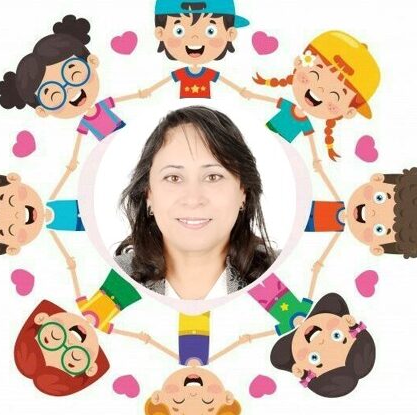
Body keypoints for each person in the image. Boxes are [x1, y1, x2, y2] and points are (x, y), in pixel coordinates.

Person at [114, 106, 277, 299]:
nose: (193, 199)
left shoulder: (286, 275)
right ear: (148, 194)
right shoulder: (110, 280)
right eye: (174, 178)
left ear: (243, 191)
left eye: (213, 177)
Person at [0, 15, 145, 171]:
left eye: (74, 74)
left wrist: (141, 94)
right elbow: (79, 142)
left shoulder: (101, 106)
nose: (69, 90)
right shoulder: (86, 122)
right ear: (42, 110)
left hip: (124, 132)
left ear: (92, 62)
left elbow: (124, 99)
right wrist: (74, 160)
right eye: (54, 95)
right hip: (109, 146)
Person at [244, 30, 380, 164]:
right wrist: (251, 94)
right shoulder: (289, 108)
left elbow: (311, 142)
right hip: (263, 135)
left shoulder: (304, 123)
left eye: (335, 95)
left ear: (349, 112)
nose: (320, 89)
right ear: (299, 62)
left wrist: (316, 158)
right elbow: (270, 100)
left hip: (279, 148)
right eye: (315, 75)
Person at [242, 273, 376, 397]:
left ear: (299, 369)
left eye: (314, 358)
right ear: (348, 321)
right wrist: (316, 270)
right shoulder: (306, 307)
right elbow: (311, 288)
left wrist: (250, 337)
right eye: (336, 335)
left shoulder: (284, 327)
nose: (321, 342)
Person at [141, 0, 251, 99]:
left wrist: (241, 91)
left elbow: (225, 82)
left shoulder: (208, 73)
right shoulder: (182, 73)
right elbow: (165, 82)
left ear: (230, 34)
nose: (194, 38)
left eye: (210, 31)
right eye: (179, 31)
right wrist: (149, 91)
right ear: (160, 33)